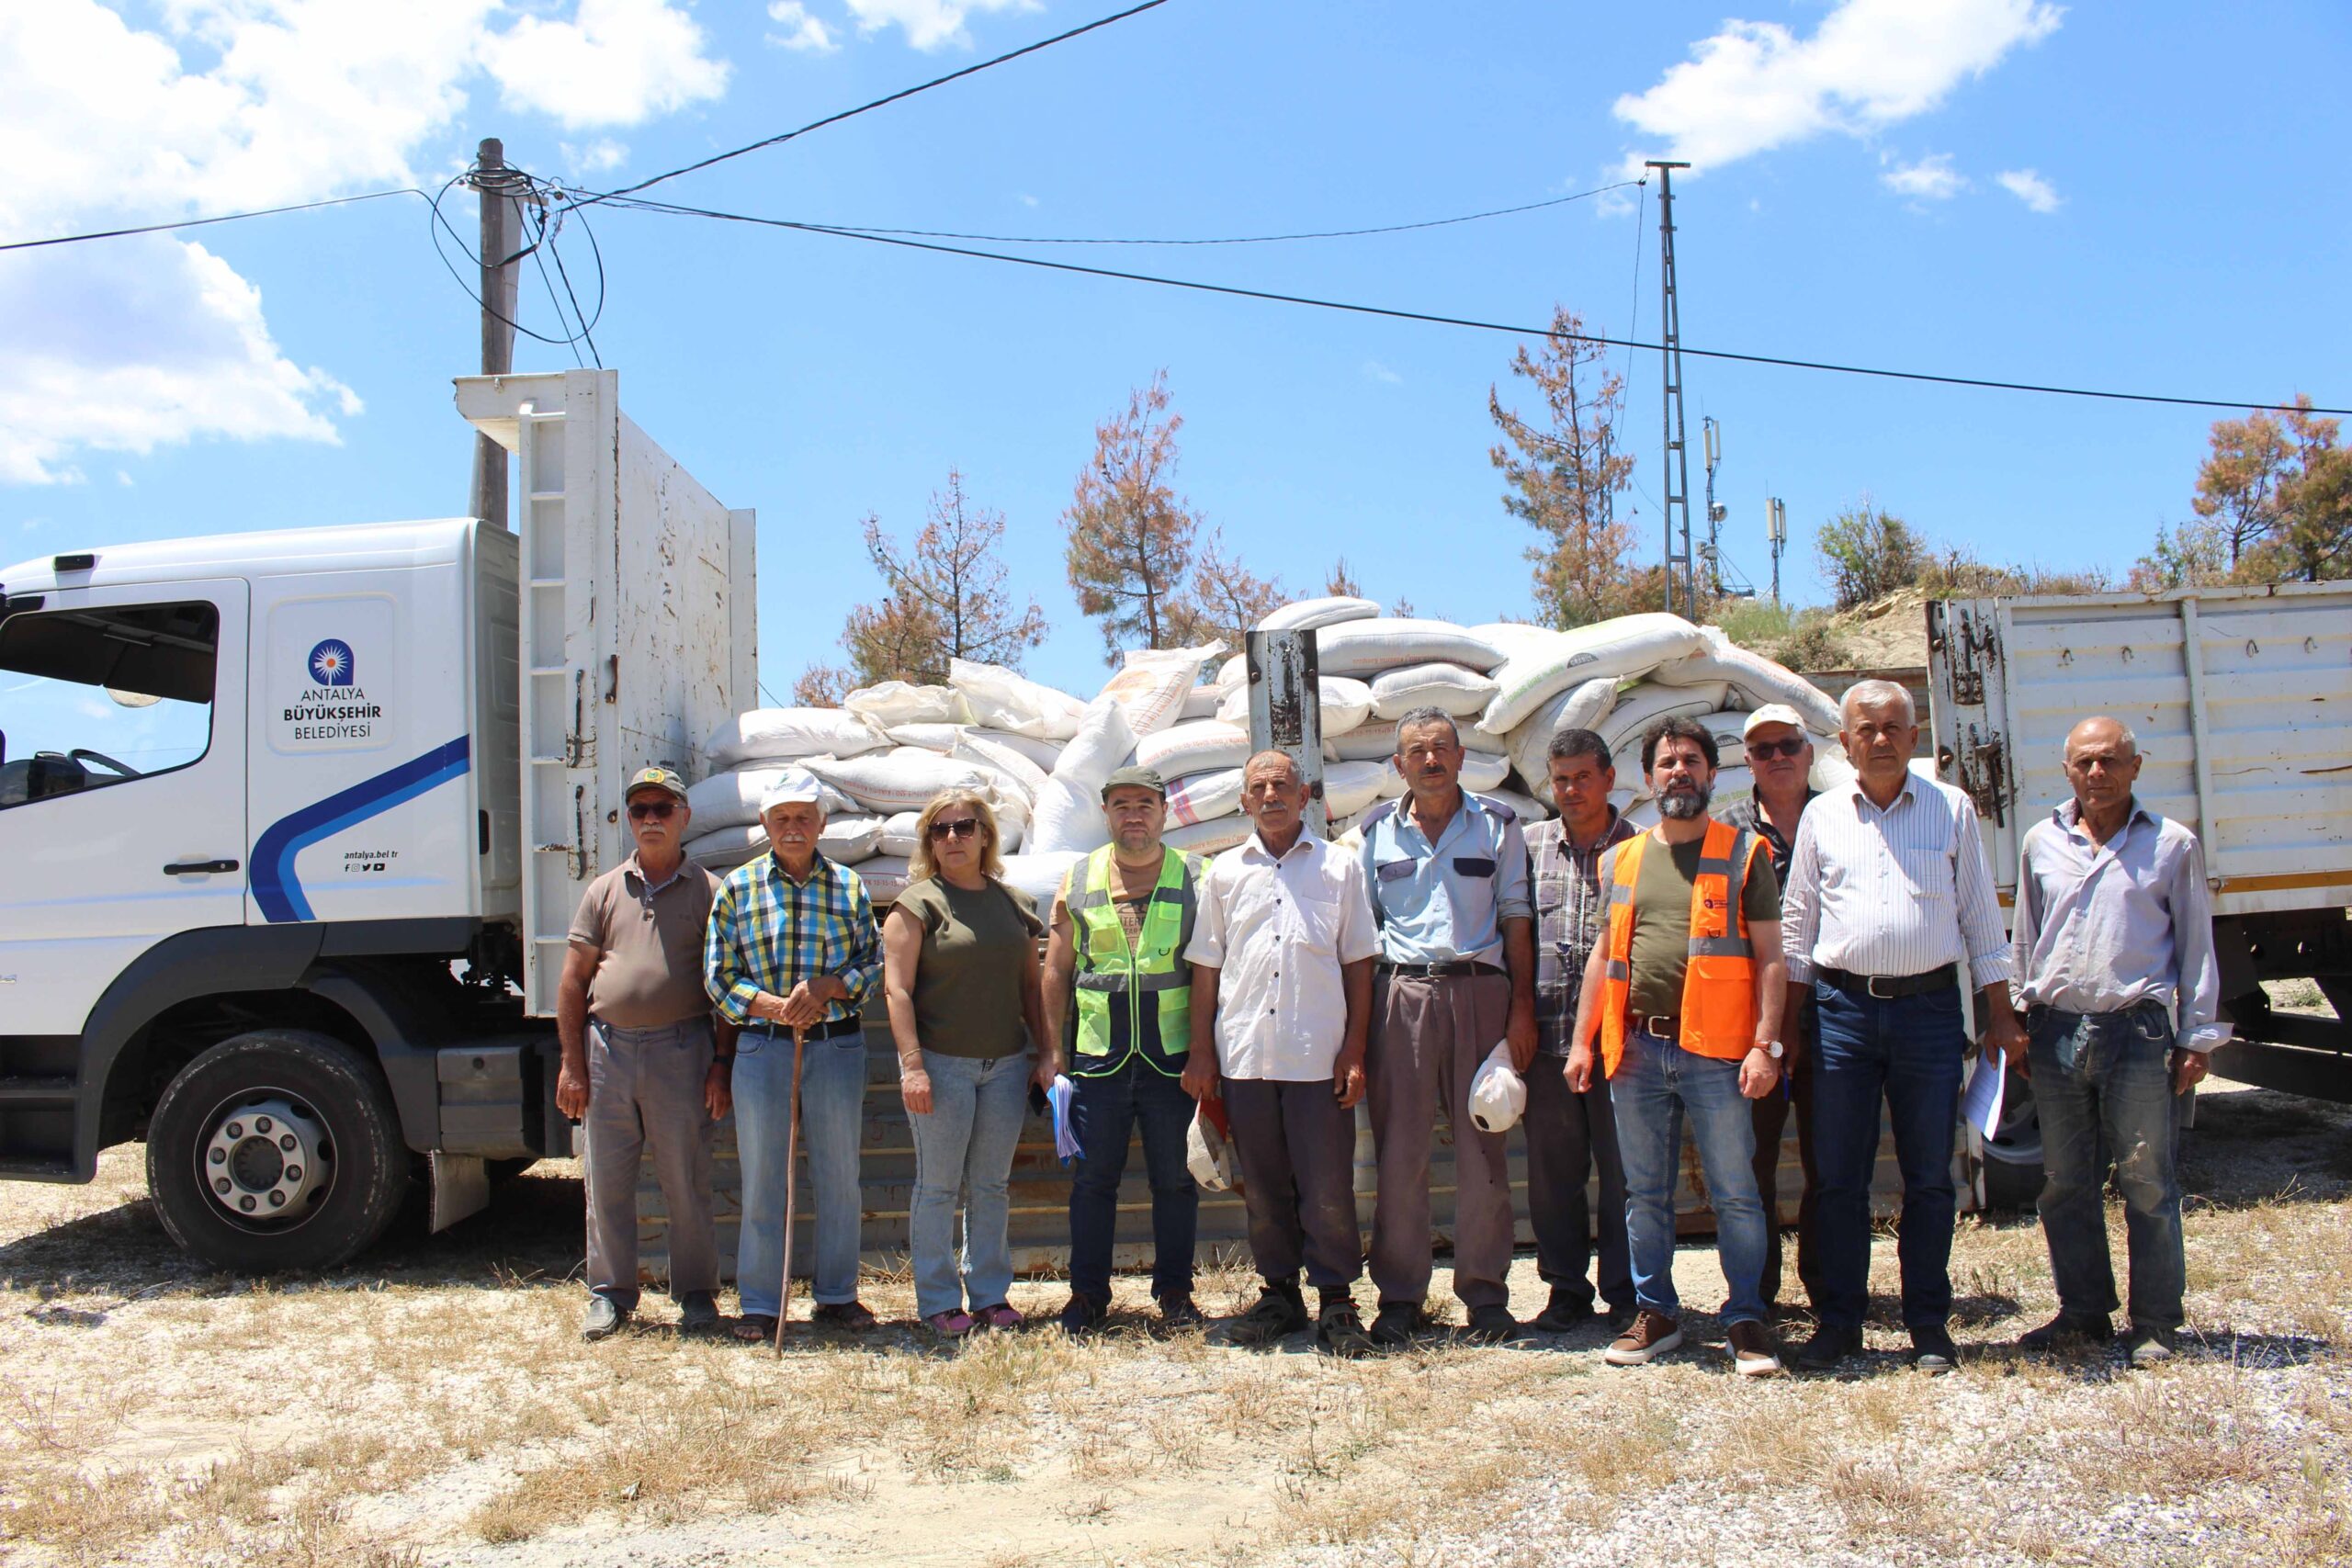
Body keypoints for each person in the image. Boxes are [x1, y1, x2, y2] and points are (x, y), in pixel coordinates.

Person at [1780, 680, 2028, 1375]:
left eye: (1894, 726)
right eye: (1867, 728)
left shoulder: (1951, 809)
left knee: (1930, 1177)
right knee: (1838, 1179)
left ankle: (1928, 1325)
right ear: (1845, 741)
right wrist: (1792, 1026)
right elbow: (1798, 929)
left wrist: (2001, 1013)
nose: (1881, 738)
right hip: (1840, 1016)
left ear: (1915, 739)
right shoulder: (1823, 817)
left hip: (1927, 1013)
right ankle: (1840, 1322)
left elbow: (1981, 918)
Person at [1565, 717, 1787, 1378]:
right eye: (1666, 762)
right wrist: (1582, 1042)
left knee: (1737, 1193)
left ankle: (1745, 1318)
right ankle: (1656, 1313)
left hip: (1718, 1054)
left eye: (1691, 759)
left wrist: (1765, 1045)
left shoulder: (1742, 853)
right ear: (1648, 777)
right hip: (1635, 1048)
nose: (1679, 771)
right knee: (1644, 1193)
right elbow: (1605, 954)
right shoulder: (1622, 858)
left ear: (1713, 774)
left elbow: (1772, 958)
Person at [2012, 716, 2226, 1369]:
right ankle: (2083, 1311)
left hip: (2137, 1029)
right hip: (2055, 1029)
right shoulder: (2041, 841)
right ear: (2067, 768)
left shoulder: (2171, 845)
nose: (2096, 773)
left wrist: (2196, 1038)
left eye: (2110, 760)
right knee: (2064, 1181)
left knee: (2148, 1181)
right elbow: (2026, 933)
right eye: (2084, 762)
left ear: (2137, 766)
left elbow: (2195, 946)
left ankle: (2156, 1321)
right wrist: (2018, 1017)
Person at [1184, 750, 1382, 1356]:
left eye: (1281, 785)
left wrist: (1355, 1048)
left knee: (1327, 1182)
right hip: (1245, 1055)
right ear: (1244, 801)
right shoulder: (1221, 874)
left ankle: (1338, 1301)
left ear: (1306, 796)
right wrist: (1201, 1053)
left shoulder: (1339, 868)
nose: (1270, 795)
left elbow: (1359, 962)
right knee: (1264, 1184)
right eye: (1257, 787)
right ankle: (1278, 1295)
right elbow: (1207, 968)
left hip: (1316, 1054)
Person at [1358, 707, 1539, 1347]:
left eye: (1441, 748)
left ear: (1461, 757)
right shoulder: (1375, 832)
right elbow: (1363, 934)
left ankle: (1486, 1295)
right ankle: (1401, 1295)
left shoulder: (1498, 824)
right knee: (1400, 1151)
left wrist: (1520, 1009)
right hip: (1401, 995)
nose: (1430, 760)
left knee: (1482, 1150)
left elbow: (1517, 918)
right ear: (1398, 765)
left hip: (1479, 995)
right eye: (1416, 751)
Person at [704, 767, 883, 1340]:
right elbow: (716, 976)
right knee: (764, 1178)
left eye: (804, 817)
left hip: (834, 1046)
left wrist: (830, 988)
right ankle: (759, 1302)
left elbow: (873, 966)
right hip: (764, 1048)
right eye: (781, 818)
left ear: (822, 822)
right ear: (764, 824)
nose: (793, 827)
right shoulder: (739, 887)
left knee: (838, 1175)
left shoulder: (849, 888)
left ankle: (835, 1296)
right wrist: (772, 1006)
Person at [557, 765, 734, 1340]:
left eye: (663, 809)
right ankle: (610, 1294)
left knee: (685, 1177)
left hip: (681, 1051)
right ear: (629, 820)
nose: (652, 819)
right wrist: (572, 1065)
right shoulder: (604, 891)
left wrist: (720, 1063)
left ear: (684, 816)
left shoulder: (709, 891)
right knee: (605, 1179)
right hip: (608, 1049)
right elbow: (571, 982)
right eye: (641, 811)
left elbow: (727, 984)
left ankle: (697, 1294)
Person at [1041, 765, 1204, 1334]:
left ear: (1164, 811)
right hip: (1098, 1058)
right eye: (1121, 805)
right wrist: (1051, 1050)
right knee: (1092, 1183)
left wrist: (1207, 1052)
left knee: (1177, 1181)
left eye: (1144, 804)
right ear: (1106, 813)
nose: (1133, 814)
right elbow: (1057, 968)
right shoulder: (1079, 876)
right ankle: (1087, 1296)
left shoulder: (1196, 876)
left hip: (1173, 1058)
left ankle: (1176, 1293)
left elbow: (1210, 970)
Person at [882, 789, 1048, 1337]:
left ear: (984, 835)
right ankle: (937, 1301)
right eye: (940, 829)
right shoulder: (916, 904)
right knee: (937, 1186)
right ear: (929, 840)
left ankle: (991, 1295)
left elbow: (1031, 985)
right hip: (941, 1065)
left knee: (991, 1185)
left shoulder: (1014, 904)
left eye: (964, 827)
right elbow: (897, 991)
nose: (953, 838)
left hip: (1003, 1066)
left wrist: (1046, 1052)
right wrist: (912, 1066)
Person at [1521, 728, 1637, 1334]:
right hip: (1547, 1038)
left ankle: (1625, 1290)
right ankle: (1565, 1287)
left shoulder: (1642, 850)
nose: (1569, 789)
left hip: (1621, 1043)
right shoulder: (1530, 845)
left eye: (1581, 777)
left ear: (1609, 778)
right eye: (1560, 778)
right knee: (1553, 1173)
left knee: (1624, 1172)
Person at [1721, 704, 1825, 1316]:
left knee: (1828, 1159)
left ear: (1810, 751)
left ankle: (1827, 1289)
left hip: (1831, 1013)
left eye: (1788, 745)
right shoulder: (1729, 831)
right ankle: (1757, 1293)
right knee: (1751, 1161)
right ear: (1747, 760)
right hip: (1755, 1020)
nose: (1778, 758)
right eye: (1764, 750)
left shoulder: (1839, 816)